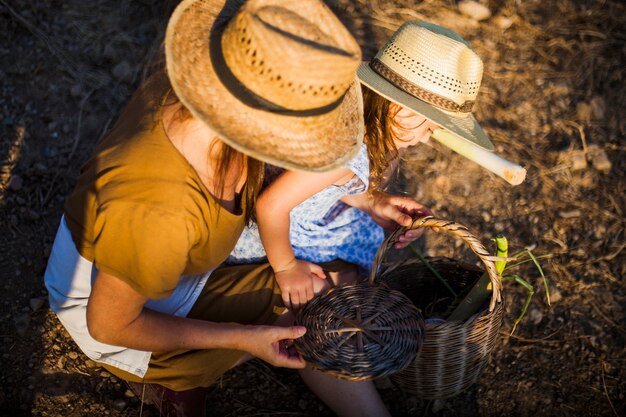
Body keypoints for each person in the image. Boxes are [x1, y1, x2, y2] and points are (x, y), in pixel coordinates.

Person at [43, 0, 406, 416]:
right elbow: (108, 325)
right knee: (317, 305)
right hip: (115, 309)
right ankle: (175, 373)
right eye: (311, 133)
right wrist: (241, 339)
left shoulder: (211, 93)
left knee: (334, 279)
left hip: (156, 262)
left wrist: (365, 198)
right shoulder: (160, 209)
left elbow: (282, 185)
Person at [228, 20, 494, 312]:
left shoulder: (359, 119)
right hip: (269, 232)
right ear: (401, 111)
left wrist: (373, 202)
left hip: (307, 212)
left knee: (354, 275)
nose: (426, 139)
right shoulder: (347, 152)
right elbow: (271, 207)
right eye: (430, 128)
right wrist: (287, 268)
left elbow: (323, 186)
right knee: (334, 296)